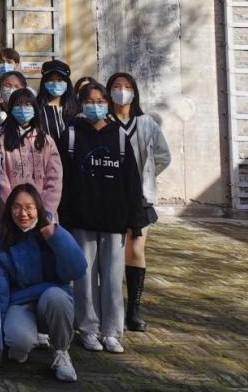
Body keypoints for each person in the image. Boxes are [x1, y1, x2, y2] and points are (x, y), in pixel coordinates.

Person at [57, 83, 147, 354]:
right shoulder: (71, 135)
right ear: (80, 104)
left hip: (114, 221)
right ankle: (88, 329)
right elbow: (63, 180)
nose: (95, 106)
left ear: (107, 103)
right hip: (81, 220)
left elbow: (131, 181)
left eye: (99, 101)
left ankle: (112, 331)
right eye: (89, 101)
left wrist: (135, 219)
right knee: (84, 278)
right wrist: (65, 217)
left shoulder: (118, 136)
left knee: (112, 279)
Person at [0, 184, 86, 383]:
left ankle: (61, 353)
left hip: (51, 300)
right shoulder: (2, 239)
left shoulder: (52, 232)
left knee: (57, 297)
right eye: (17, 207)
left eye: (29, 207)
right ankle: (21, 343)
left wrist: (58, 237)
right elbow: (1, 290)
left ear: (38, 208)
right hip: (20, 303)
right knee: (18, 340)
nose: (23, 213)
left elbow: (76, 270)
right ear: (9, 210)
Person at [107, 71, 172, 332]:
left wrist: (146, 177)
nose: (121, 91)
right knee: (111, 254)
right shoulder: (104, 121)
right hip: (109, 196)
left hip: (139, 199)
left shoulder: (146, 123)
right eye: (116, 86)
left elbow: (163, 156)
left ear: (134, 92)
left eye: (126, 86)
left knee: (135, 252)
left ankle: (134, 310)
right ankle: (111, 307)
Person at [0, 88, 63, 219]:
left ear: (35, 109)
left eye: (27, 104)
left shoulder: (46, 140)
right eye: (18, 105)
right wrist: (14, 207)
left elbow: (54, 178)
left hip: (42, 215)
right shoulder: (1, 140)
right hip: (10, 214)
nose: (23, 109)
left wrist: (45, 210)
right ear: (10, 109)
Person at [37, 60, 77, 143]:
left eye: (60, 80)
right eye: (51, 80)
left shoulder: (76, 108)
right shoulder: (37, 109)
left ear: (67, 83)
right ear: (44, 83)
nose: (55, 84)